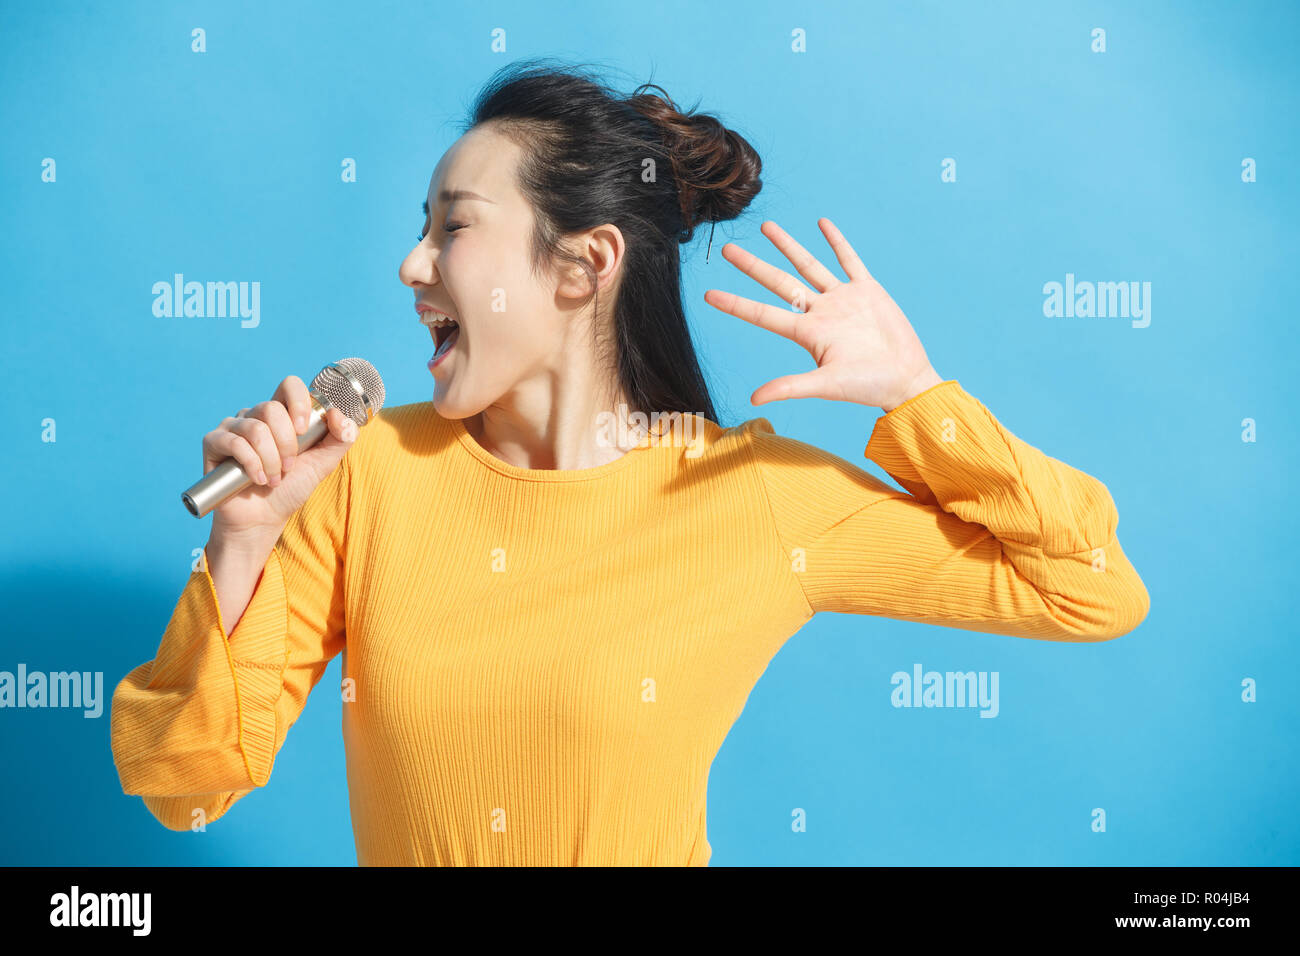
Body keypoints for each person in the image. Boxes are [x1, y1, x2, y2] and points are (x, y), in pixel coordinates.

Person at [110, 58, 1150, 866]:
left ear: (583, 262)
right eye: (418, 228)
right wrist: (242, 541)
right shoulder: (369, 470)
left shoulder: (751, 496)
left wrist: (920, 400)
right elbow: (185, 784)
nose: (411, 264)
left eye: (452, 228)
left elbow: (1088, 589)